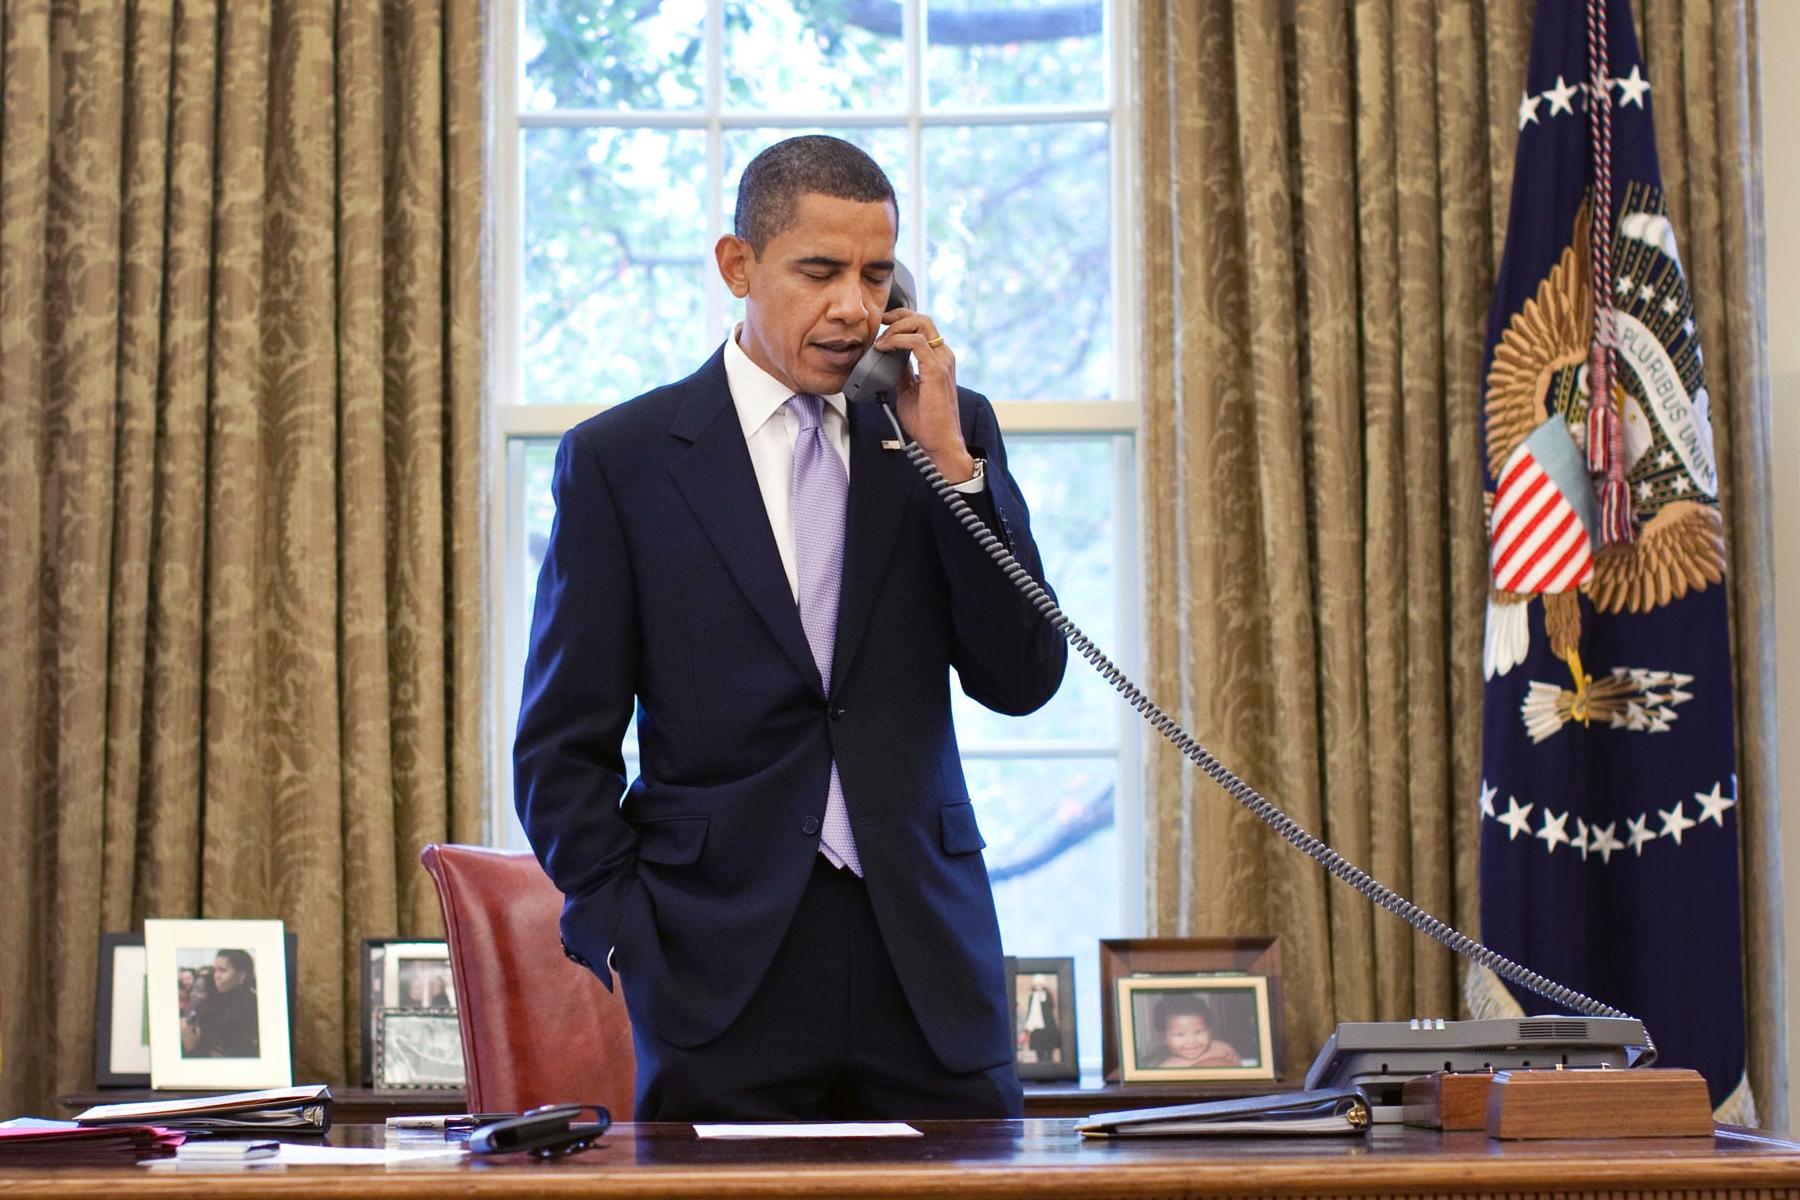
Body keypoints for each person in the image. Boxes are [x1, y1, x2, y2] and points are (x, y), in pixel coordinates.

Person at [515, 134, 1067, 1121]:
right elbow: (561, 745)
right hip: (717, 970)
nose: (854, 306)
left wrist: (951, 466)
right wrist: (625, 930)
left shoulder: (943, 426)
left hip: (927, 963)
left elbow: (1023, 677)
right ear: (739, 266)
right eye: (820, 272)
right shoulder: (621, 461)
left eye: (876, 275)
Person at [180, 949, 260, 1058]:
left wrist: (192, 1049)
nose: (216, 976)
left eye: (223, 970)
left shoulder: (250, 1007)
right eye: (215, 970)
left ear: (241, 974)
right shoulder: (214, 1001)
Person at [1149, 994, 1241, 1069]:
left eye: (1198, 1032)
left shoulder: (1222, 1048)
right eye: (1180, 1035)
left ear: (1209, 1030)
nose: (1191, 1041)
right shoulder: (1165, 1068)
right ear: (1164, 1038)